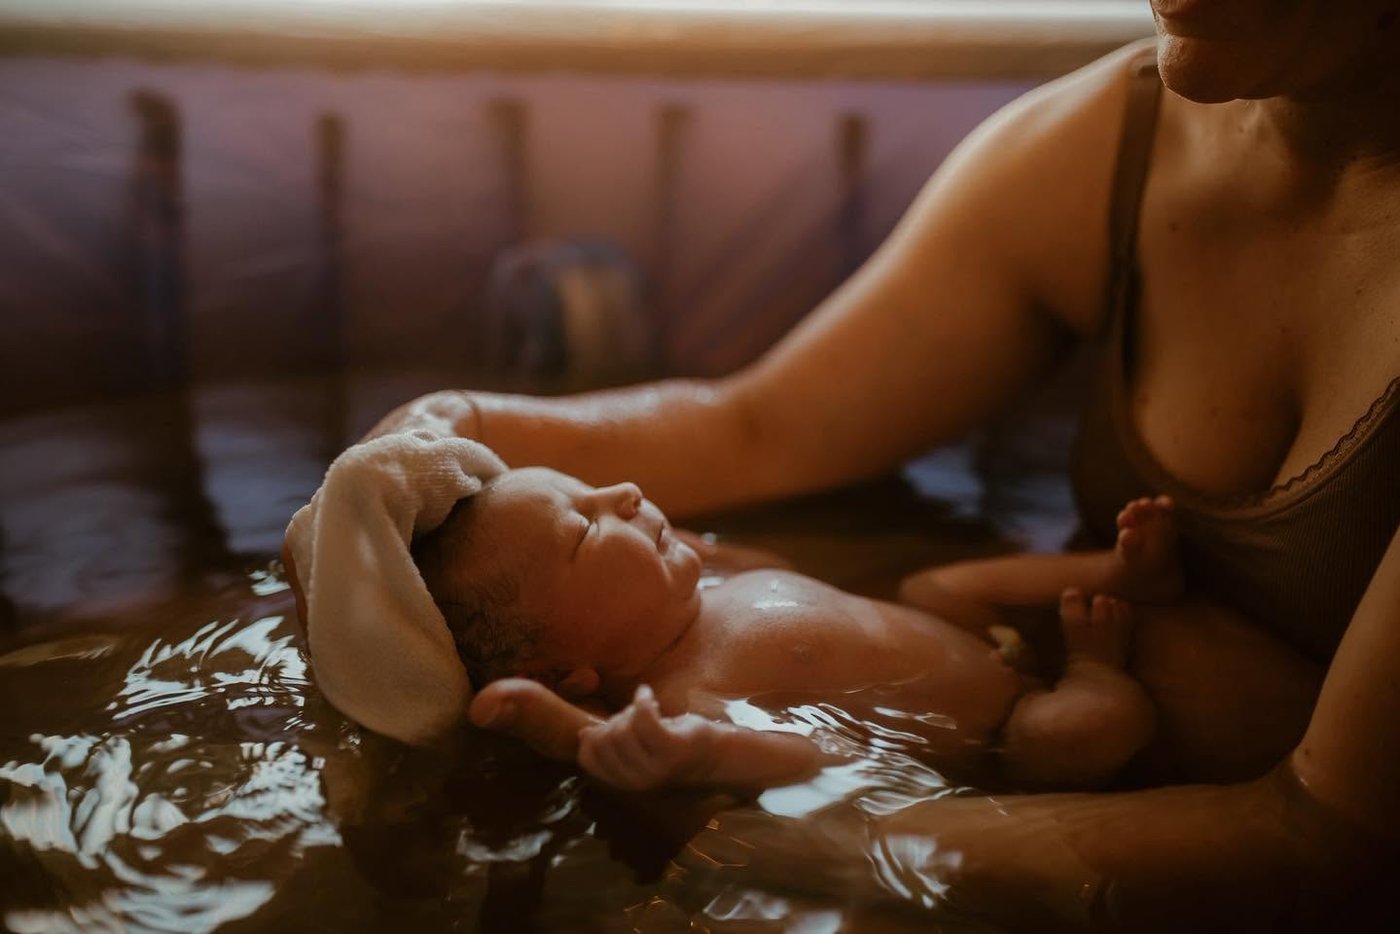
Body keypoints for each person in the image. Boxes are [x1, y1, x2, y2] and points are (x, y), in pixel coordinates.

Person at [343, 1, 1400, 928]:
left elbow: (1334, 842)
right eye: (584, 522)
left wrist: (768, 846)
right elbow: (756, 429)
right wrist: (447, 426)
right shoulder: (1101, 144)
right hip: (1047, 714)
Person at [413, 465, 1214, 794]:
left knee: (933, 585)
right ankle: (1094, 671)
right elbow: (816, 764)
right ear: (570, 673)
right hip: (1007, 730)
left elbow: (793, 572)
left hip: (974, 638)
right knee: (1089, 733)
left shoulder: (713, 580)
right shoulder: (691, 695)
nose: (622, 490)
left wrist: (716, 554)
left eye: (590, 488)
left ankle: (1118, 575)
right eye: (584, 531)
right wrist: (704, 753)